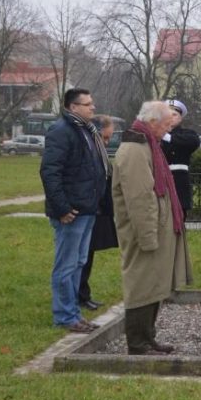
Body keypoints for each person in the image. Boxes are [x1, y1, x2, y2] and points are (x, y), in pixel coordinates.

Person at [112, 101, 190, 355]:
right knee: (142, 284)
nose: (169, 130)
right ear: (153, 122)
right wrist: (147, 237)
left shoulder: (148, 144)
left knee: (153, 283)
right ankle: (138, 342)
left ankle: (148, 338)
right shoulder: (135, 150)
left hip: (157, 228)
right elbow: (140, 198)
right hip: (145, 231)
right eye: (167, 124)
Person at [40, 88, 108, 333]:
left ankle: (74, 313)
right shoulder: (62, 131)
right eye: (87, 104)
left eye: (92, 103)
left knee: (78, 262)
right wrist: (62, 208)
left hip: (88, 208)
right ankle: (65, 316)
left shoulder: (86, 131)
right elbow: (50, 172)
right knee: (66, 265)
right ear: (73, 107)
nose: (92, 107)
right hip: (72, 211)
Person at [78, 114, 119, 311]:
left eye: (109, 138)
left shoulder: (100, 153)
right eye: (105, 137)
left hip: (99, 208)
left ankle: (83, 293)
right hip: (89, 208)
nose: (107, 142)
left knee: (89, 252)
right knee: (81, 255)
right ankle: (79, 295)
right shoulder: (88, 151)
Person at [161, 99, 201, 218]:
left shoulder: (187, 133)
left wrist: (170, 138)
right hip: (161, 179)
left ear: (180, 118)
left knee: (178, 218)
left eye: (174, 114)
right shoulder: (157, 134)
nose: (171, 117)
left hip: (179, 181)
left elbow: (194, 142)